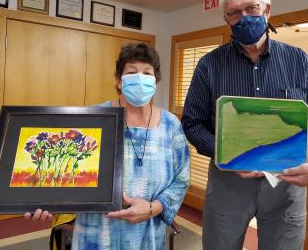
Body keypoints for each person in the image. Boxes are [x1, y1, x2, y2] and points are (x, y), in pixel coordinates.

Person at [181, 0, 308, 250]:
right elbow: (193, 123)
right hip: (228, 180)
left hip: (285, 184)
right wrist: (224, 154)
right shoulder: (209, 65)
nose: (244, 17)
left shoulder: (298, 61)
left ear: (267, 10)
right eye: (234, 12)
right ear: (227, 20)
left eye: (251, 8)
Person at [26, 42, 190, 250]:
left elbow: (181, 179)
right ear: (119, 81)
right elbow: (65, 171)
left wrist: (152, 208)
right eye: (131, 72)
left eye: (147, 73)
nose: (140, 78)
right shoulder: (93, 119)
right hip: (95, 236)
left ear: (156, 81)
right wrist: (47, 200)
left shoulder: (171, 125)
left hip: (147, 236)